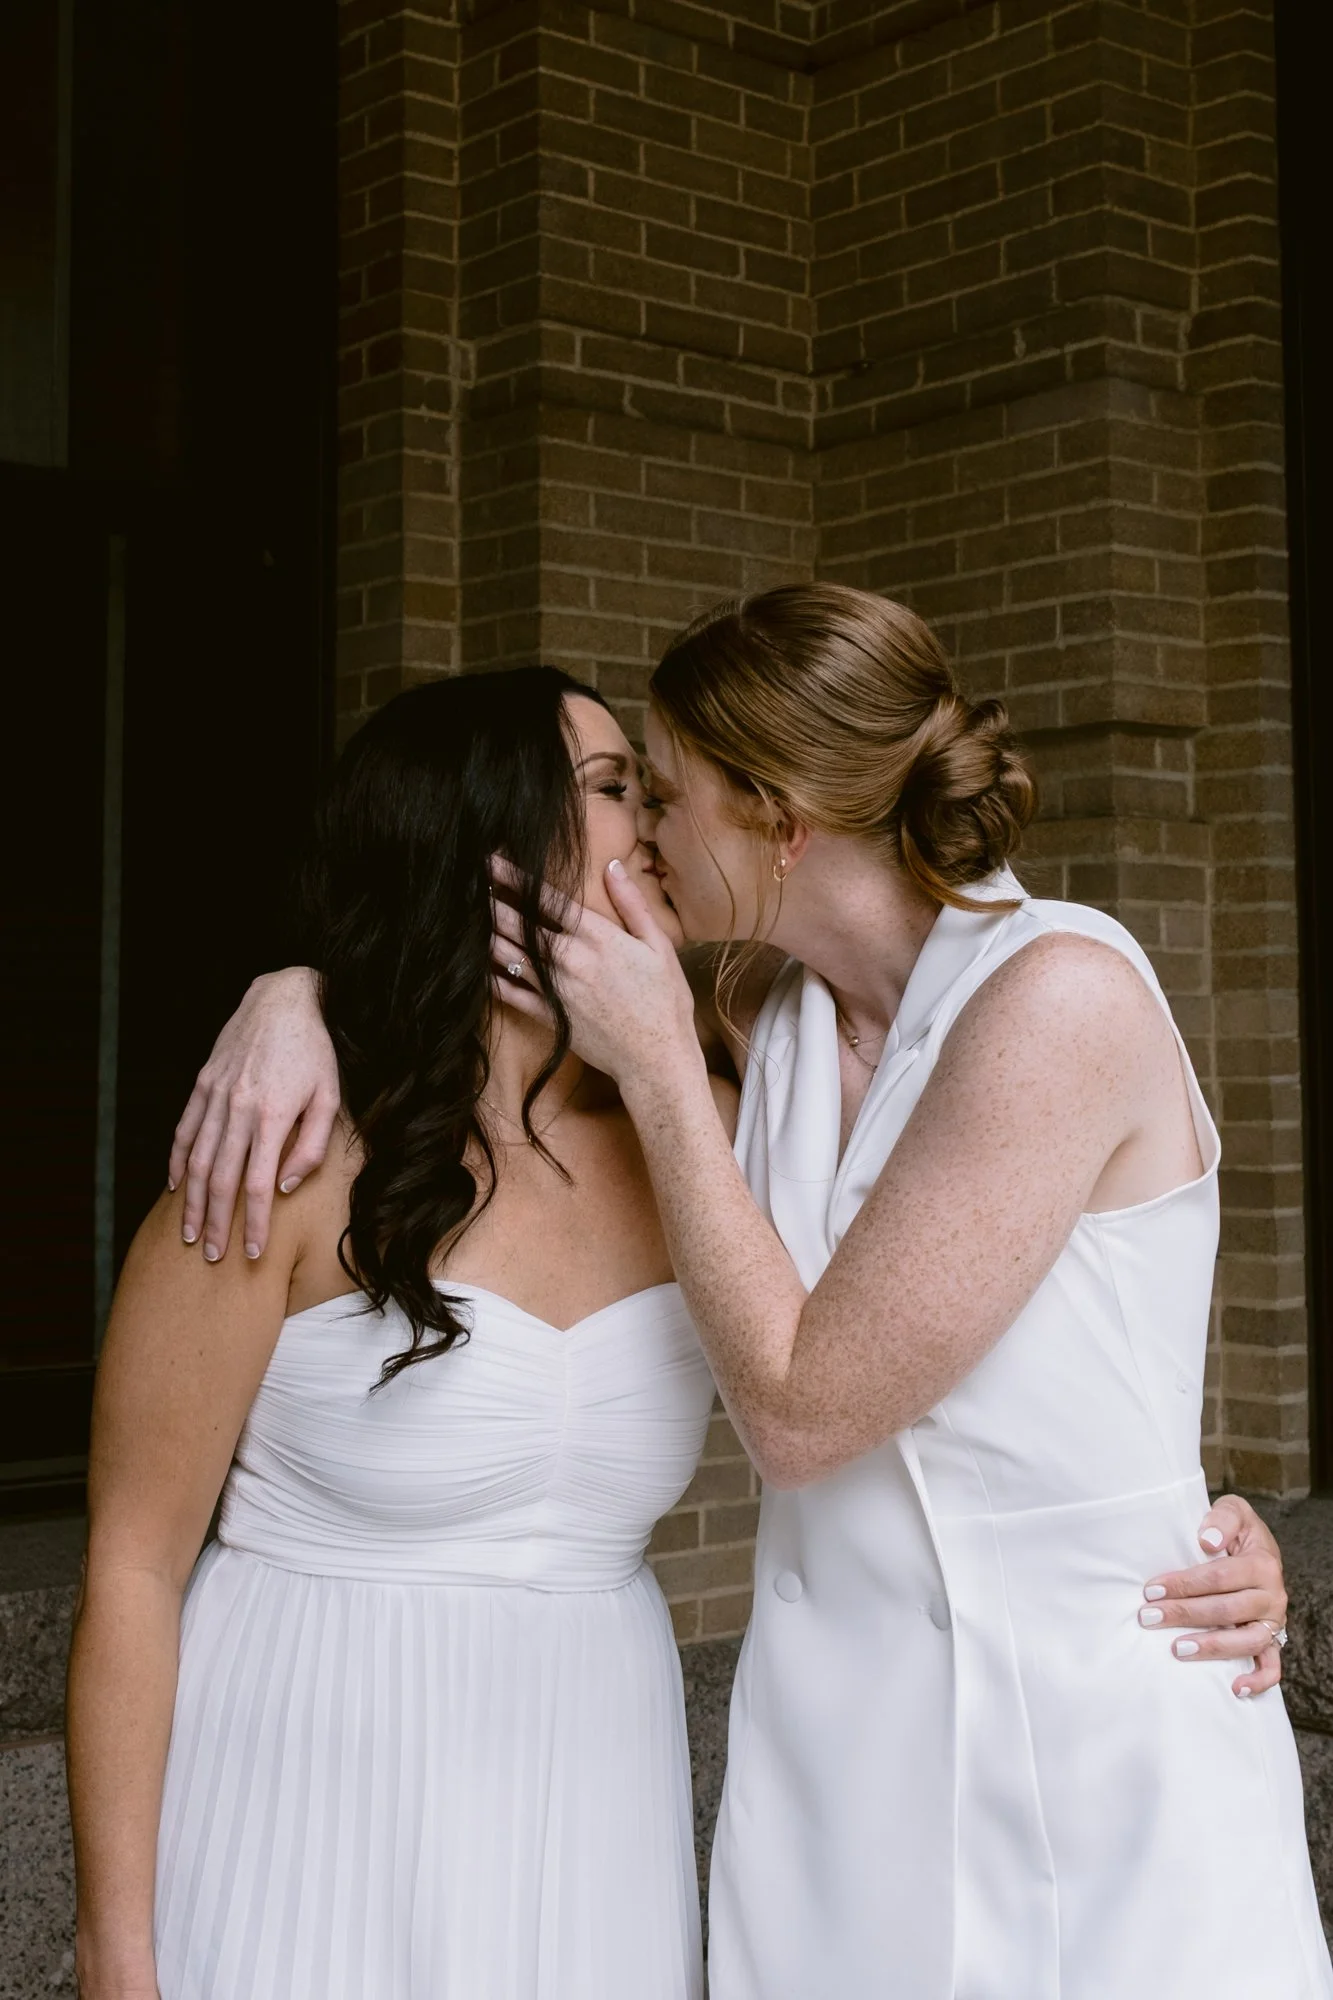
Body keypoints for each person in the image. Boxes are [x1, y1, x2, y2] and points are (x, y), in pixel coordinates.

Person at [173, 596, 1305, 1998]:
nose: (641, 830)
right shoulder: (770, 1019)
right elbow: (451, 993)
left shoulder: (1057, 998)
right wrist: (298, 991)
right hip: (833, 1778)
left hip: (1086, 1750)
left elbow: (801, 1411)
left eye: (665, 790)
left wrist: (653, 1065)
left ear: (779, 820)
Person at [66, 670, 722, 2000]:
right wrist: (113, 1951)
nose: (647, 822)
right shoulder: (285, 1151)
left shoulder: (704, 1121)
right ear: (482, 843)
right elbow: (134, 1568)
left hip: (591, 1794)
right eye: (608, 790)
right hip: (307, 1792)